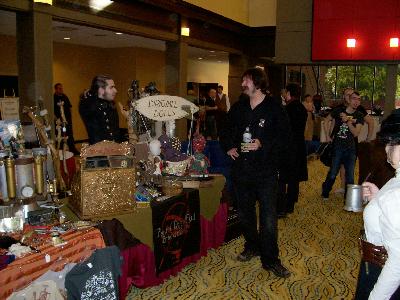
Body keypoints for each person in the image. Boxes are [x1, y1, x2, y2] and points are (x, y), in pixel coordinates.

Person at [219, 67, 291, 278]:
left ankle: (271, 260)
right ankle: (252, 246)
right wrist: (228, 146)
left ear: (258, 83)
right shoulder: (240, 107)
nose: (243, 84)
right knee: (245, 215)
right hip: (241, 171)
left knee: (268, 219)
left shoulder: (274, 109)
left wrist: (263, 143)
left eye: (246, 80)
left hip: (266, 172)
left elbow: (285, 139)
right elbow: (225, 129)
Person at [355, 109, 400, 299]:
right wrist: (378, 197)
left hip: (381, 271)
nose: (386, 148)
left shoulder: (396, 195)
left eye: (392, 143)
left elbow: (397, 262)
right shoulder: (397, 179)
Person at [324, 87, 375, 194]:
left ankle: (348, 192)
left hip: (352, 142)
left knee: (349, 169)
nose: (350, 97)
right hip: (338, 142)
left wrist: (368, 138)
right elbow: (331, 122)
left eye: (352, 95)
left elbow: (370, 122)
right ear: (345, 97)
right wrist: (329, 136)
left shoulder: (359, 109)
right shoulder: (339, 108)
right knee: (336, 169)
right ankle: (342, 187)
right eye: (348, 95)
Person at [321, 91, 364, 200]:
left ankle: (349, 199)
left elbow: (355, 133)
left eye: (359, 99)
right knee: (333, 173)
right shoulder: (338, 110)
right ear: (349, 99)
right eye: (354, 98)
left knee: (350, 177)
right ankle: (325, 191)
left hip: (351, 149)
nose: (356, 101)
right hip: (338, 147)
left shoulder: (359, 115)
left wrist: (348, 120)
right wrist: (327, 136)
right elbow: (326, 120)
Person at [277, 84, 308, 217]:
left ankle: (281, 207)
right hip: (299, 145)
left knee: (282, 178)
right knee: (294, 177)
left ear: (288, 92)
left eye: (284, 92)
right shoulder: (302, 108)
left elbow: (282, 130)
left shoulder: (286, 109)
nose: (283, 94)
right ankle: (290, 204)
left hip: (287, 147)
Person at [79, 75, 121, 145]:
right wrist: (91, 93)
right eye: (111, 87)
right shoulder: (89, 105)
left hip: (114, 149)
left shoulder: (109, 104)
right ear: (101, 90)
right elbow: (87, 106)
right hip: (99, 151)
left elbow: (115, 131)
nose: (115, 90)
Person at [53, 83, 79, 155]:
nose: (61, 90)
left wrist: (70, 118)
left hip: (67, 121)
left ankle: (73, 149)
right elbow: (52, 111)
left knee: (70, 135)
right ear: (56, 89)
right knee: (60, 135)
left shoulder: (65, 96)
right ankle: (61, 151)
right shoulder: (53, 98)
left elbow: (70, 107)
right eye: (59, 88)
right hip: (59, 122)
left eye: (62, 88)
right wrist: (56, 119)